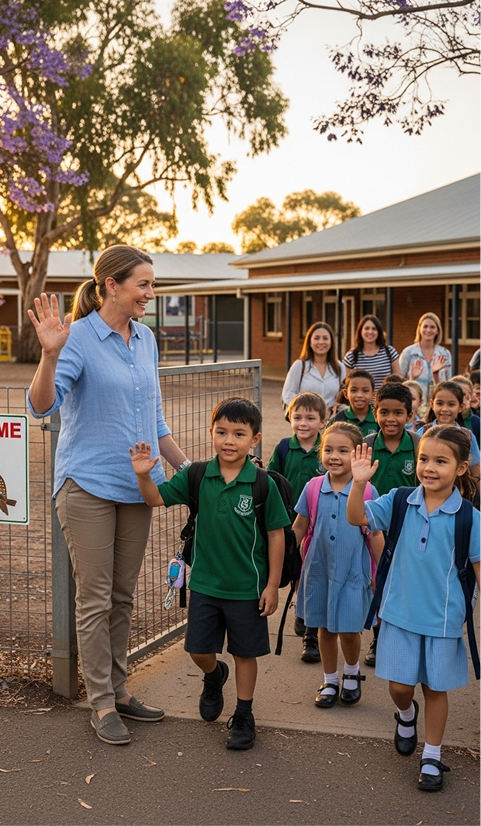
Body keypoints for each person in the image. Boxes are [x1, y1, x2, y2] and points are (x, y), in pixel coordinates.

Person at [27, 245, 190, 746]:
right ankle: (99, 703)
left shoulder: (145, 339)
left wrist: (189, 471)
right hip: (88, 486)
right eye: (143, 284)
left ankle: (119, 691)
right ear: (111, 286)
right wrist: (50, 354)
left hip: (138, 488)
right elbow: (41, 407)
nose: (150, 294)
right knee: (95, 599)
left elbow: (155, 421)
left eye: (152, 285)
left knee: (122, 597)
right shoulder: (76, 337)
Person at [130, 397, 291, 751]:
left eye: (238, 433)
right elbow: (155, 499)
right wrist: (143, 475)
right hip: (204, 583)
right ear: (211, 433)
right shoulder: (197, 475)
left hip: (247, 589)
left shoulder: (262, 484)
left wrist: (272, 585)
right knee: (199, 650)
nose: (229, 440)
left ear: (255, 439)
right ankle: (214, 675)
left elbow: (276, 535)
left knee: (245, 653)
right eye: (221, 432)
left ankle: (244, 714)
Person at [347, 428, 480, 792]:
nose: (429, 467)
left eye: (441, 461)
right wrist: (358, 484)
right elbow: (356, 517)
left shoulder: (470, 517)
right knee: (401, 687)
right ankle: (406, 715)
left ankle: (432, 755)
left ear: (461, 467)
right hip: (398, 614)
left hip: (443, 621)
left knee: (436, 689)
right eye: (424, 459)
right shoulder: (400, 500)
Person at [292, 422, 384, 709]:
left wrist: (381, 574)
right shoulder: (313, 488)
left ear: (358, 455)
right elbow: (299, 527)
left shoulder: (368, 492)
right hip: (318, 571)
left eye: (343, 450)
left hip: (354, 574)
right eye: (328, 449)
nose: (334, 456)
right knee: (324, 629)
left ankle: (352, 673)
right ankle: (330, 679)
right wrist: (285, 563)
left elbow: (376, 534)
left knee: (349, 630)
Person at [268, 391, 327, 663]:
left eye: (310, 418)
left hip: (321, 524)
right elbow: (270, 482)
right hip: (291, 525)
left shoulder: (327, 450)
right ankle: (302, 609)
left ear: (323, 421)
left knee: (314, 573)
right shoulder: (283, 447)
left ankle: (311, 635)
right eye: (297, 417)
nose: (303, 423)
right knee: (297, 571)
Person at [416, 381, 480, 490]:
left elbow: (476, 474)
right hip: (427, 493)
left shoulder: (467, 437)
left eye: (451, 404)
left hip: (460, 495)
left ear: (460, 407)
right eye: (440, 403)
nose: (445, 409)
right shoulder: (422, 433)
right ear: (432, 404)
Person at [366, 383, 418, 497]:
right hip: (374, 511)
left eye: (398, 413)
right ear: (375, 414)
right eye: (384, 413)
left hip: (408, 511)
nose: (390, 419)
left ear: (409, 416)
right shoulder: (366, 446)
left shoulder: (419, 446)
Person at [282, 322, 346, 415]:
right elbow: (287, 394)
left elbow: (343, 396)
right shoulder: (299, 366)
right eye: (316, 338)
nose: (321, 342)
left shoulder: (340, 367)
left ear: (331, 341)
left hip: (332, 422)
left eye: (325, 338)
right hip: (306, 422)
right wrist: (305, 409)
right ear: (309, 342)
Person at [399, 312, 452, 408]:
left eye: (432, 327)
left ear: (438, 331)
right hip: (413, 406)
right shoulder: (408, 353)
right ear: (419, 329)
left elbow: (449, 386)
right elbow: (399, 384)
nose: (428, 330)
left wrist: (436, 375)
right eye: (425, 326)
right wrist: (412, 377)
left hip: (438, 406)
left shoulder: (445, 354)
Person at [343, 315, 401, 391]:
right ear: (360, 331)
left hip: (385, 400)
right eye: (366, 328)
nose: (370, 332)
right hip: (360, 400)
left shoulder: (390, 352)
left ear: (379, 332)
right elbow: (345, 384)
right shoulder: (351, 356)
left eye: (374, 329)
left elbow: (398, 380)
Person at [328, 368, 378, 437]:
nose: (359, 395)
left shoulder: (378, 418)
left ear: (373, 394)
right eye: (354, 390)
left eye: (365, 390)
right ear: (346, 394)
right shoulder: (339, 419)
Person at [451, 375, 480, 447]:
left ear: (470, 396)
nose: (459, 397)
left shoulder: (476, 423)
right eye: (455, 393)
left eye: (463, 394)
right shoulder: (440, 419)